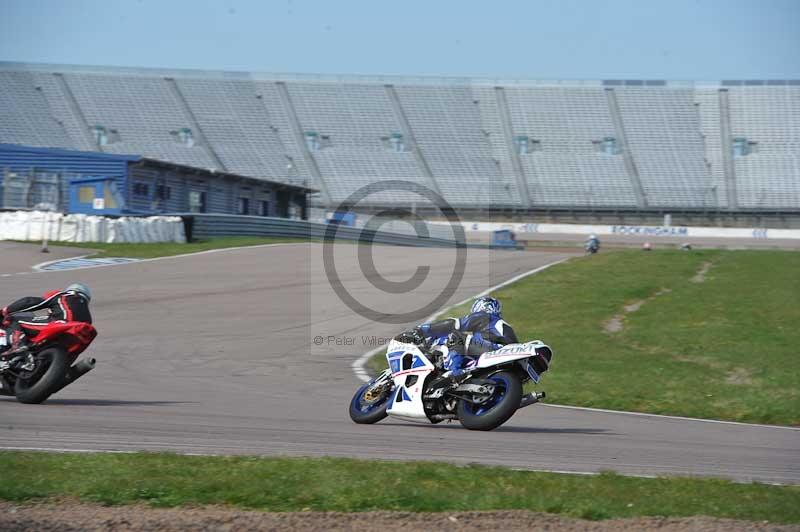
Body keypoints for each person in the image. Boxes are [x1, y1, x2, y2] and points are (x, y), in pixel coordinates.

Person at [395, 296, 517, 383]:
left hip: (494, 350)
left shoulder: (484, 316)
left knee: (456, 335)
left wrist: (420, 331)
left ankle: (454, 372)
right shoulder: (500, 326)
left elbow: (454, 324)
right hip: (503, 357)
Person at [0, 283, 92, 354]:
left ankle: (17, 346)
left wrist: (6, 310)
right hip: (71, 341)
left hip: (59, 323)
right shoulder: (88, 318)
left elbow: (31, 302)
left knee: (14, 320)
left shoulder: (62, 295)